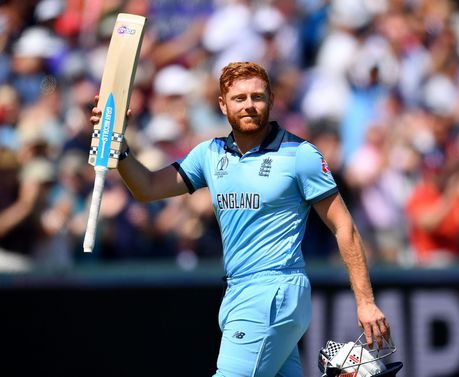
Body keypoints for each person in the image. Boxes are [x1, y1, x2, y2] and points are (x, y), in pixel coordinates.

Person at [91, 62, 390, 377]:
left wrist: (365, 302)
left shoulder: (301, 155)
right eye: (239, 98)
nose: (249, 105)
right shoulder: (210, 154)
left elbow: (344, 227)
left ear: (271, 100)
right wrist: (118, 147)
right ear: (222, 104)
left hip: (273, 291)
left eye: (257, 97)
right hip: (238, 292)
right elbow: (147, 187)